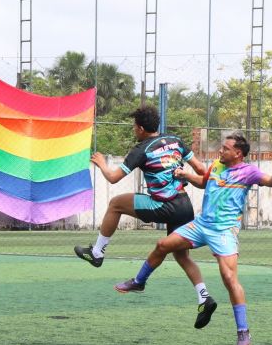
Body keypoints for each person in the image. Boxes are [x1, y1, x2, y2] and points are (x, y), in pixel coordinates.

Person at [114, 134, 272, 345]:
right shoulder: (217, 166)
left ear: (238, 153)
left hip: (223, 232)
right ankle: (139, 281)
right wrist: (185, 175)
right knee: (163, 245)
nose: (221, 151)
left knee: (229, 278)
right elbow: (203, 182)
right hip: (201, 225)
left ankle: (243, 330)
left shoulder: (249, 172)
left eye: (225, 149)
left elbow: (271, 182)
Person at [74, 105, 213, 310]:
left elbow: (113, 178)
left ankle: (97, 252)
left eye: (134, 127)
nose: (133, 130)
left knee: (115, 204)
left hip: (164, 205)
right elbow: (202, 170)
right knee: (181, 256)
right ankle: (204, 297)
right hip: (185, 205)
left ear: (140, 128)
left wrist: (102, 163)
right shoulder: (175, 141)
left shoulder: (141, 150)